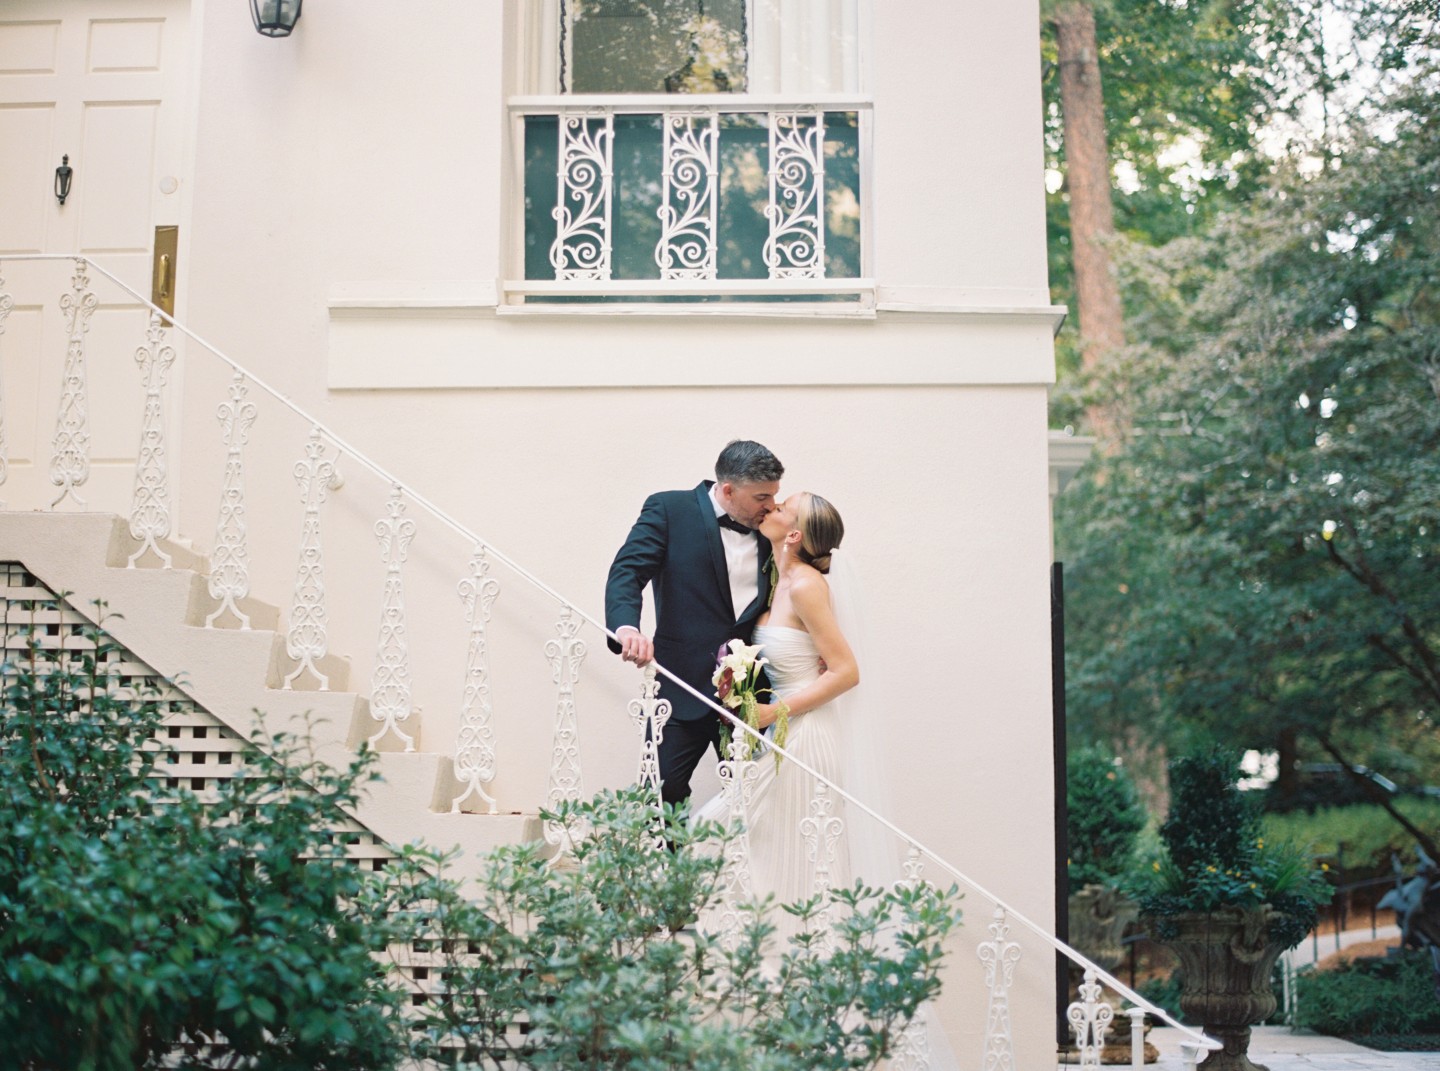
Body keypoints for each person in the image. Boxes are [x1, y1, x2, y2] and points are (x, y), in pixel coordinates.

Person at [604, 440, 783, 808]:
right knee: (661, 791)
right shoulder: (670, 509)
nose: (771, 505)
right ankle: (671, 868)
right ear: (728, 489)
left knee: (755, 802)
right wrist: (626, 628)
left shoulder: (775, 526)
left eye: (774, 495)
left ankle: (738, 869)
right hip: (679, 683)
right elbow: (628, 571)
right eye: (761, 496)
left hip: (749, 694)